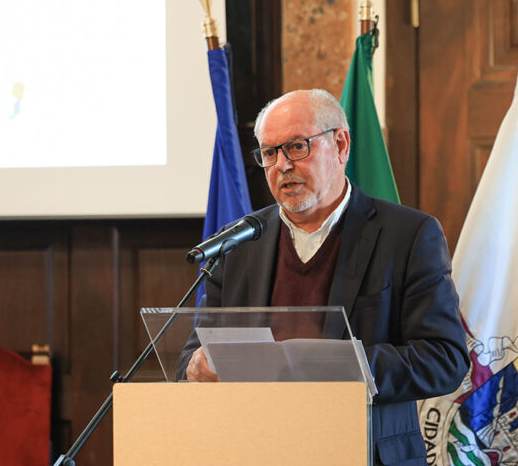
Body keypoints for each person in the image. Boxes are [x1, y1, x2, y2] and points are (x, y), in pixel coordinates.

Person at [184, 89, 469, 465]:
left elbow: (444, 359)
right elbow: (192, 352)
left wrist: (328, 363)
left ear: (340, 145)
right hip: (257, 449)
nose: (282, 165)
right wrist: (196, 366)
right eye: (269, 153)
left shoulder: (408, 235)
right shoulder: (239, 242)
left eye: (296, 147)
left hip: (364, 452)